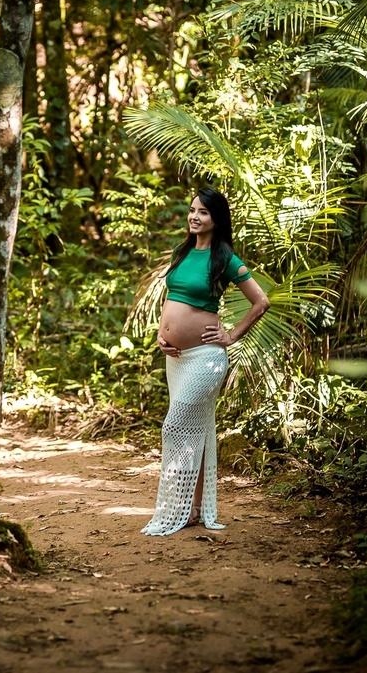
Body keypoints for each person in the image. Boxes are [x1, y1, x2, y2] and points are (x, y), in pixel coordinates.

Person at [141, 187, 271, 536]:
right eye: (192, 210)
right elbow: (172, 297)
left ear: (217, 220)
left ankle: (178, 509)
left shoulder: (224, 258)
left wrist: (232, 336)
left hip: (206, 358)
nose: (194, 217)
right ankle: (195, 509)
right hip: (177, 358)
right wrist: (161, 334)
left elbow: (260, 302)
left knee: (175, 426)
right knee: (194, 430)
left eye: (203, 213)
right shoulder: (182, 252)